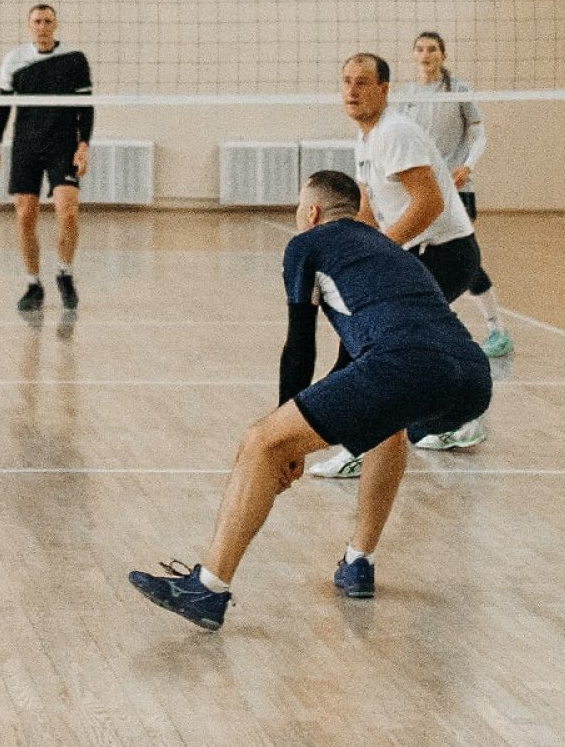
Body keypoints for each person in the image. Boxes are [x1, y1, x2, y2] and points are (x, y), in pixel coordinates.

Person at [125, 169, 492, 630]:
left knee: (260, 441)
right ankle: (358, 561)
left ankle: (208, 589)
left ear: (312, 212)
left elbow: (300, 347)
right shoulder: (389, 250)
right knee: (386, 421)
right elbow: (354, 367)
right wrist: (302, 432)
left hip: (405, 363)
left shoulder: (307, 246)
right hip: (471, 377)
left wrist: (286, 443)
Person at [308, 53, 498, 478]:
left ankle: (359, 442)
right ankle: (455, 420)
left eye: (362, 82)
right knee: (395, 341)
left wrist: (380, 253)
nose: (352, 91)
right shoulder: (366, 138)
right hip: (421, 252)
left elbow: (429, 202)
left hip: (446, 252)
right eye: (346, 82)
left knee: (375, 343)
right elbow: (369, 209)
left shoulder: (395, 132)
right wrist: (345, 254)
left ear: (384, 89)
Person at [397, 31, 512, 358]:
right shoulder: (406, 96)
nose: (425, 54)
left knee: (464, 260)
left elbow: (479, 135)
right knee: (415, 261)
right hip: (422, 190)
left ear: (442, 55)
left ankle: (496, 330)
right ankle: (430, 329)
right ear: (413, 54)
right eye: (419, 48)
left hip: (458, 189)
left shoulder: (458, 90)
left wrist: (467, 167)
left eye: (432, 49)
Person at [0, 4, 94, 312]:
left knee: (68, 211)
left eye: (48, 21)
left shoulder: (74, 59)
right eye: (37, 21)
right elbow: (2, 106)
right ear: (28, 25)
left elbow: (87, 106)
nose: (43, 26)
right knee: (25, 216)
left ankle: (64, 272)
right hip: (26, 147)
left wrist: (84, 144)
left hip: (63, 144)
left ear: (56, 24)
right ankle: (33, 284)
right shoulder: (14, 60)